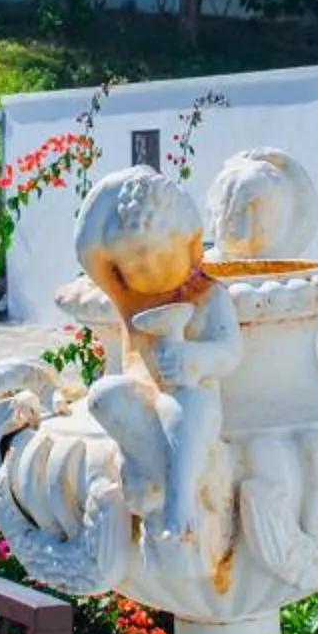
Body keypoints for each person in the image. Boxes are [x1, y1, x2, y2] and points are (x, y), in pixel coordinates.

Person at [74, 170, 241, 548]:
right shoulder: (129, 300)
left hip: (188, 395)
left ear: (191, 245)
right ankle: (152, 472)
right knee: (103, 396)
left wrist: (194, 358)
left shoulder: (208, 296)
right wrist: (127, 185)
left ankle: (179, 496)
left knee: (190, 405)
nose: (144, 273)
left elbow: (230, 351)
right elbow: (85, 246)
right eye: (133, 267)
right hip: (142, 399)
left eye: (156, 260)